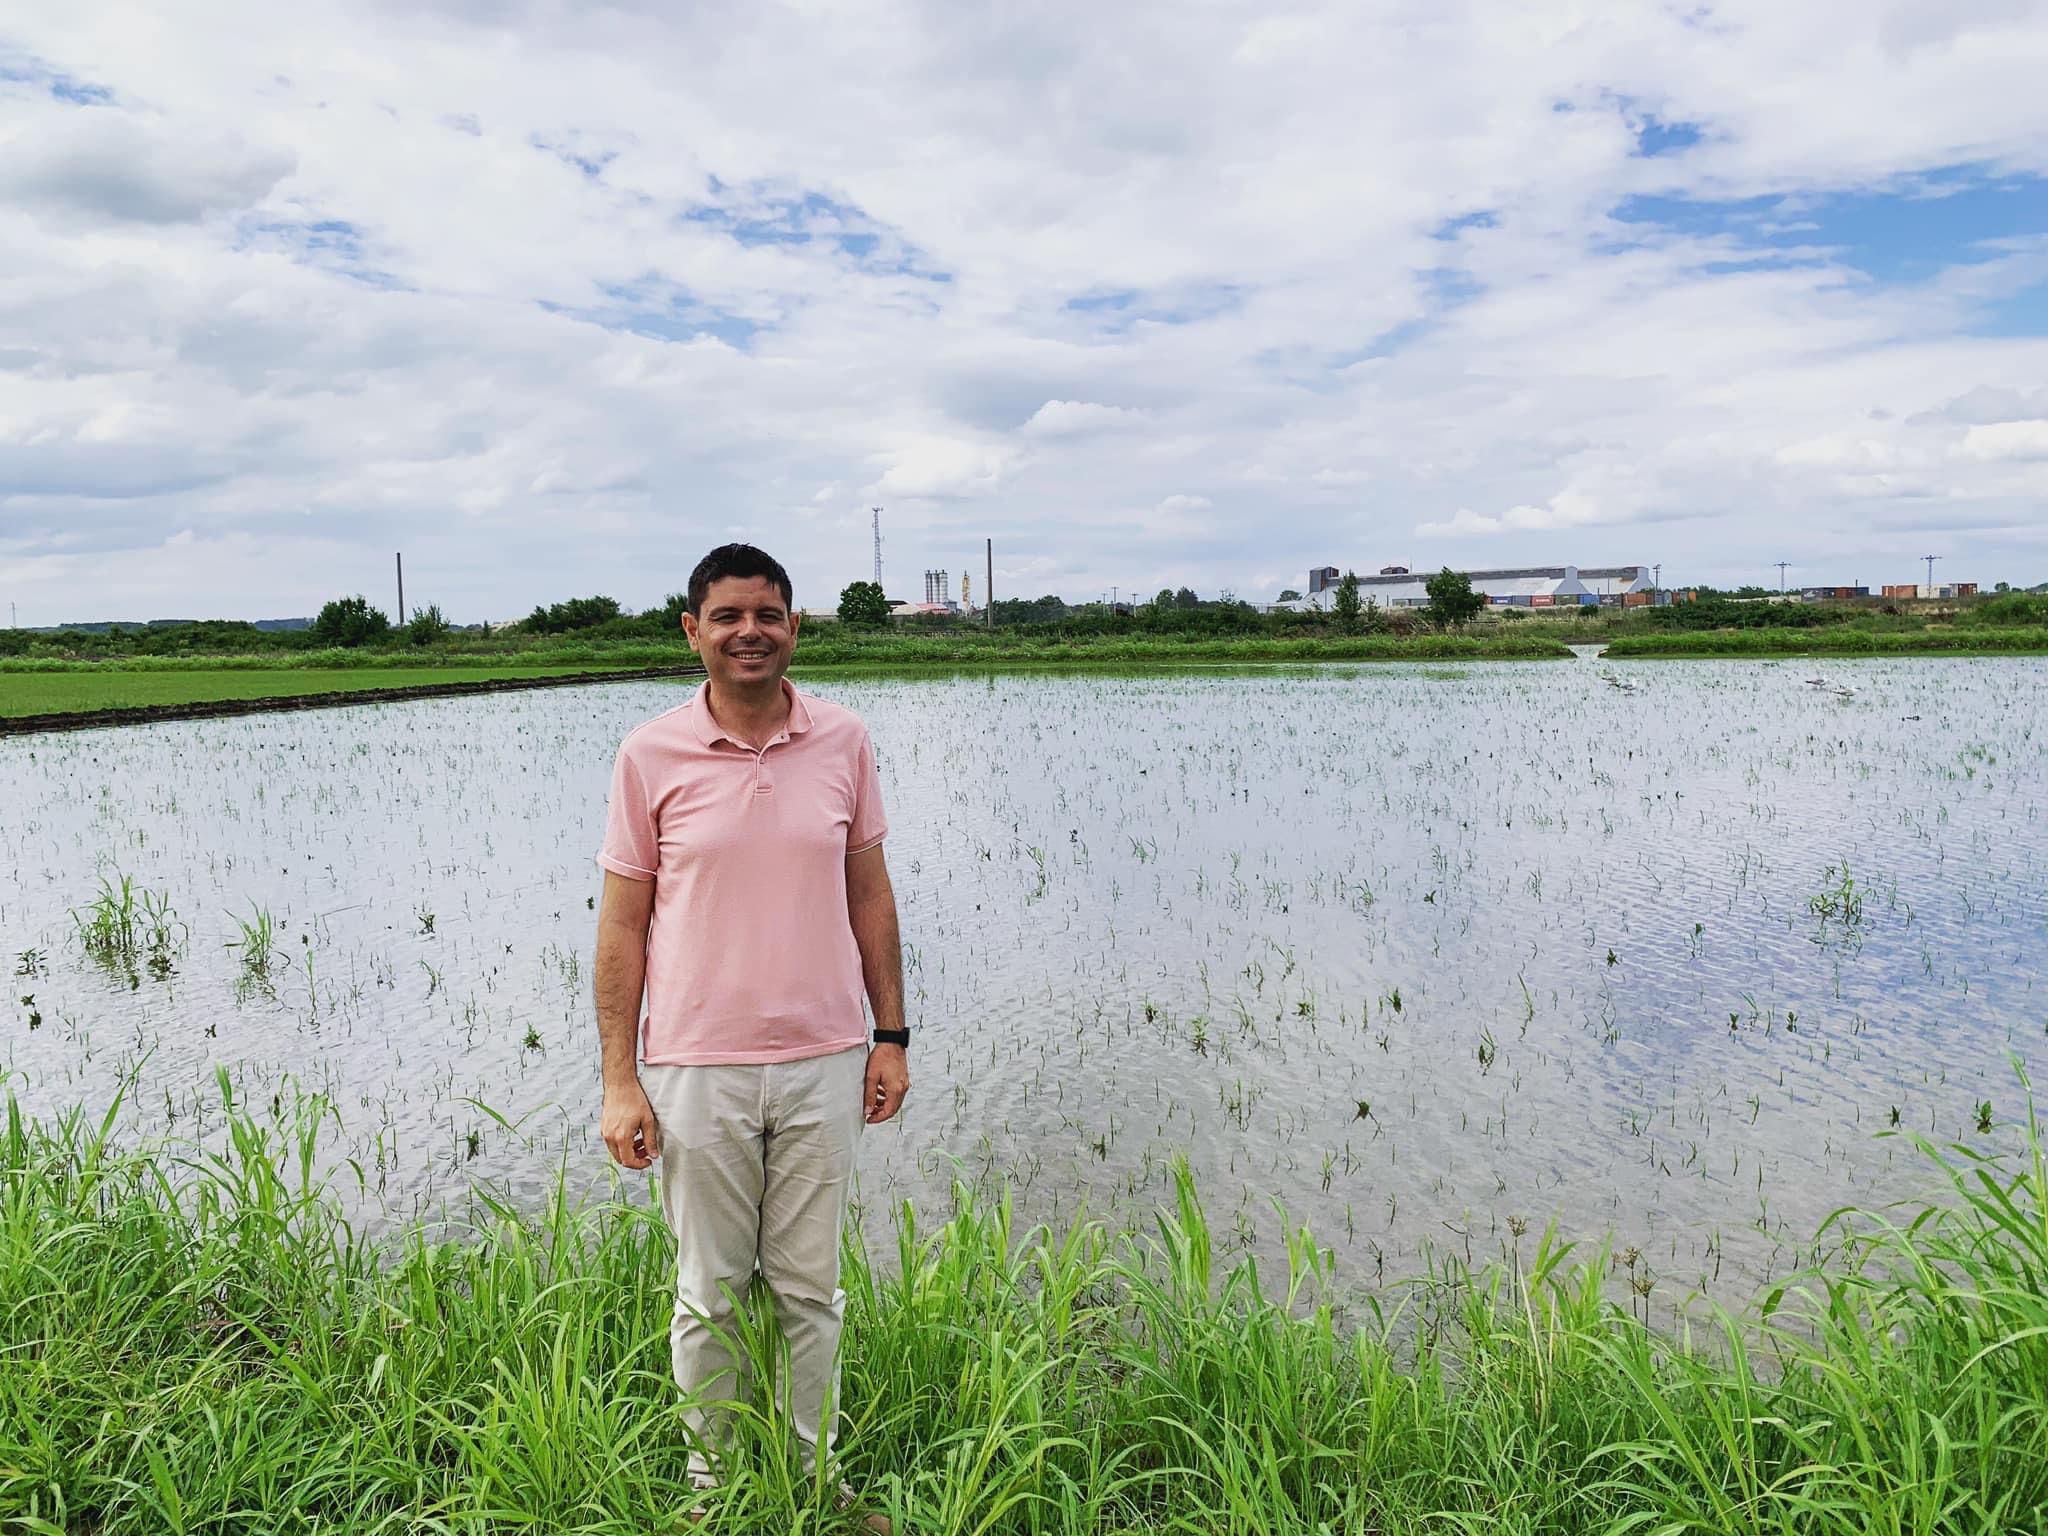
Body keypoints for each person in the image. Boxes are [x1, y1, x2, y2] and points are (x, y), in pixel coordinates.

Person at [593, 543, 908, 1530]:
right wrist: (619, 1079)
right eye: (726, 616)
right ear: (690, 630)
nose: (748, 632)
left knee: (812, 1293)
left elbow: (869, 894)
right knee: (710, 1296)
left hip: (822, 1058)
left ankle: (817, 1483)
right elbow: (620, 925)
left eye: (766, 614)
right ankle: (713, 1492)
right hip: (695, 1068)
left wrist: (889, 1034)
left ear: (793, 626)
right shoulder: (649, 754)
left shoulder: (843, 739)